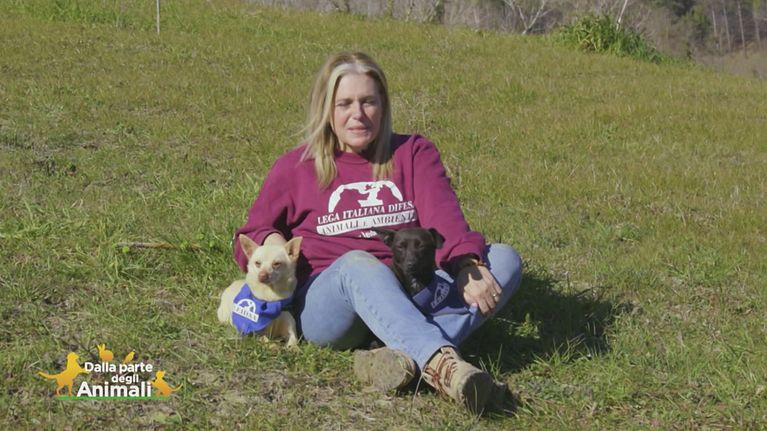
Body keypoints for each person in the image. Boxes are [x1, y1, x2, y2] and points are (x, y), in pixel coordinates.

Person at [233, 51, 523, 414]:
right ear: (327, 109)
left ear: (383, 105)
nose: (358, 113)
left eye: (368, 101)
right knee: (358, 264)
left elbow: (444, 217)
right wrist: (275, 245)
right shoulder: (296, 166)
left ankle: (396, 360)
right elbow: (253, 232)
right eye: (345, 103)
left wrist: (466, 264)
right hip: (333, 303)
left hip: (413, 286)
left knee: (504, 259)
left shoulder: (413, 152)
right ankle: (445, 367)